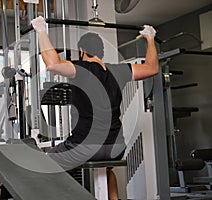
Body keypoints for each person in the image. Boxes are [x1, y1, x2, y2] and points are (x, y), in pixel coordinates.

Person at [31, 16, 158, 200]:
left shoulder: (81, 68)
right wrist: (150, 39)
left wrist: (41, 31)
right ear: (101, 52)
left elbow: (52, 64)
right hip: (115, 147)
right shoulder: (120, 70)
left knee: (45, 163)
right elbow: (152, 68)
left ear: (82, 51)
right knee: (106, 169)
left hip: (86, 146)